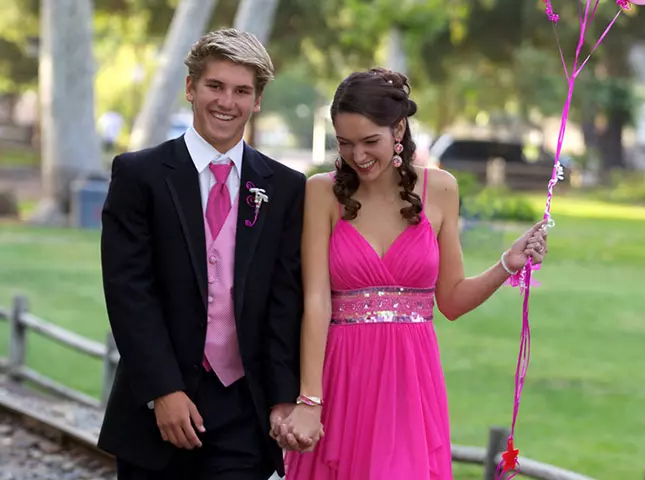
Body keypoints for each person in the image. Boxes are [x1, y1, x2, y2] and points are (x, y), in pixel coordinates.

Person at [278, 68, 548, 479]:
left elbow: (452, 301)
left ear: (399, 128)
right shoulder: (321, 192)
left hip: (411, 383)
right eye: (345, 143)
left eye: (371, 141)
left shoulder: (441, 189)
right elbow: (315, 301)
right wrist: (309, 401)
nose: (359, 156)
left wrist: (507, 264)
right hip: (342, 379)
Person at [98, 28, 309, 480]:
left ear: (257, 101)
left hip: (244, 409)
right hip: (158, 405)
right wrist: (163, 390)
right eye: (215, 86)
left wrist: (282, 397)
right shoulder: (140, 175)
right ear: (191, 88)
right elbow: (128, 291)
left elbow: (284, 300)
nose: (226, 102)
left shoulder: (286, 188)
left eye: (241, 91)